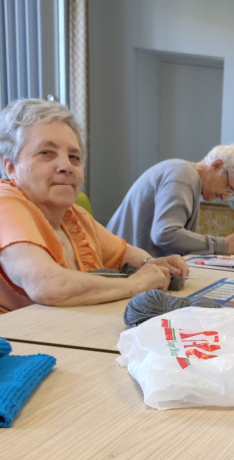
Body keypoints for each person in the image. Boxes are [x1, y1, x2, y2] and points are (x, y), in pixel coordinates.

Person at [0, 98, 188, 315]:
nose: (66, 166)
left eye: (74, 157)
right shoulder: (5, 203)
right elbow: (47, 285)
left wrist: (157, 263)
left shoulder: (73, 215)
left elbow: (126, 254)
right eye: (46, 153)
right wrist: (135, 285)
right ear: (11, 166)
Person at [107, 143, 234, 257]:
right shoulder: (184, 177)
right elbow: (165, 233)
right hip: (118, 266)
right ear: (217, 165)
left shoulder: (186, 174)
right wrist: (224, 244)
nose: (223, 198)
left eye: (230, 195)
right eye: (228, 189)